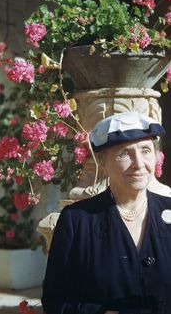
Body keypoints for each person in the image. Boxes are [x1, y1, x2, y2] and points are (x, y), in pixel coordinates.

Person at [41, 111, 171, 314]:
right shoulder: (76, 221)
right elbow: (55, 301)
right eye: (124, 154)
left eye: (145, 150)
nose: (138, 163)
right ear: (102, 162)